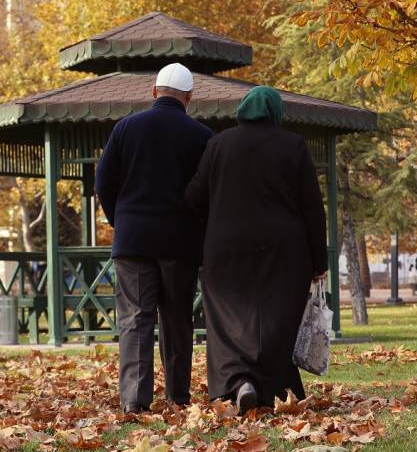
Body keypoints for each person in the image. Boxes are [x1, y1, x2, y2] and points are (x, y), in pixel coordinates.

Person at [185, 86, 327, 413]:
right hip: (284, 251)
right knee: (277, 319)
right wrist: (319, 259)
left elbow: (193, 197)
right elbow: (311, 208)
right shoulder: (292, 145)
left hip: (226, 248)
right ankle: (272, 387)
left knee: (228, 319)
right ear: (276, 113)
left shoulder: (218, 144)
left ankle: (237, 381)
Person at [96, 62, 213, 413]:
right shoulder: (202, 136)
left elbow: (103, 182)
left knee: (134, 320)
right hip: (180, 243)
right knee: (177, 320)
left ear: (154, 92)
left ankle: (134, 400)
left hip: (133, 241)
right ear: (189, 97)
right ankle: (177, 398)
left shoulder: (126, 128)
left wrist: (121, 220)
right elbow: (206, 191)